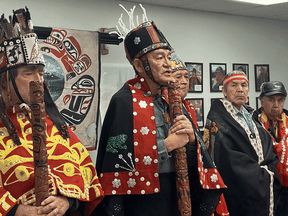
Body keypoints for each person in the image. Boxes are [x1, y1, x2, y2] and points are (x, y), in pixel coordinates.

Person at [95, 5, 227, 215]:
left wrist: (193, 140)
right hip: (143, 200)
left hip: (182, 191)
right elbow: (117, 159)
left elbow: (197, 153)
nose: (169, 65)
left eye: (168, 57)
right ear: (140, 65)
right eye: (159, 58)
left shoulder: (175, 99)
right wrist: (167, 145)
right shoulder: (124, 101)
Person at [0, 8, 103, 216]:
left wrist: (66, 200)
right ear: (4, 81)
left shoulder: (54, 124)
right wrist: (15, 211)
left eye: (41, 73)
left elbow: (84, 172)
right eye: (29, 73)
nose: (39, 80)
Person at [203, 71, 281, 215]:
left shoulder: (250, 115)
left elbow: (266, 145)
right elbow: (227, 158)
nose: (240, 89)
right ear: (224, 92)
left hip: (258, 184)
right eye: (234, 85)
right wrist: (261, 174)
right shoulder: (217, 119)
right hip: (237, 188)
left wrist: (267, 168)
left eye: (244, 85)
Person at [170, 52, 229, 216]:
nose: (183, 81)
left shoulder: (187, 108)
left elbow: (200, 146)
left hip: (194, 175)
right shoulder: (165, 107)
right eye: (178, 76)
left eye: (186, 77)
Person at [252, 81, 288, 216]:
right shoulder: (253, 124)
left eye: (280, 100)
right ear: (262, 101)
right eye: (271, 100)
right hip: (265, 185)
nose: (276, 105)